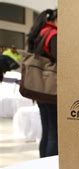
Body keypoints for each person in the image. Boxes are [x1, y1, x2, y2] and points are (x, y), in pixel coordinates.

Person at [26, 9, 58, 158]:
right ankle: (50, 166)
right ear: (55, 19)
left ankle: (42, 162)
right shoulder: (53, 34)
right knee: (54, 132)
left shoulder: (41, 32)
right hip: (51, 89)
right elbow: (60, 57)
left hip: (40, 89)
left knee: (47, 129)